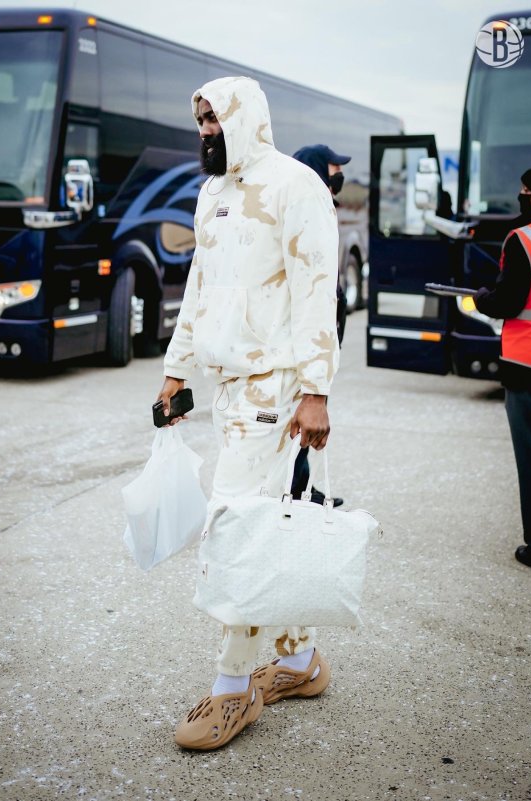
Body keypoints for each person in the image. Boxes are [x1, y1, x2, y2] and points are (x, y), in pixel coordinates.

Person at [156, 76, 340, 750]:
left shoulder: (295, 186)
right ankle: (297, 660)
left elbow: (318, 291)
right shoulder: (211, 192)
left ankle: (233, 689)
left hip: (276, 385)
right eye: (198, 119)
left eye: (213, 118)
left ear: (245, 117)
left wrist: (316, 390)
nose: (204, 130)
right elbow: (198, 287)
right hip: (228, 386)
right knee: (261, 523)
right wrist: (175, 371)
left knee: (232, 528)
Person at [474, 163, 531, 573]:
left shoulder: (526, 239)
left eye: (524, 191)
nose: (520, 197)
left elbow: (506, 302)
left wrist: (483, 298)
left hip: (530, 366)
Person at [290, 144, 352, 506]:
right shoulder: (305, 214)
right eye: (334, 172)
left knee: (304, 422)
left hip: (320, 342)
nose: (338, 180)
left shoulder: (323, 209)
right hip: (302, 349)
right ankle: (295, 492)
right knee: (300, 419)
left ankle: (301, 486)